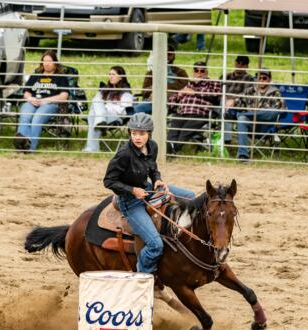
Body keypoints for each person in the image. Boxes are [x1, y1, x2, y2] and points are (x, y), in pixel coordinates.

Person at [103, 112, 195, 274]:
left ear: (149, 134)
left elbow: (152, 168)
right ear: (130, 133)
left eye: (142, 134)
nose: (138, 137)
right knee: (155, 245)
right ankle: (143, 275)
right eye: (134, 133)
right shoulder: (124, 154)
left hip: (148, 189)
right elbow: (109, 181)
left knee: (190, 197)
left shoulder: (152, 146)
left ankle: (185, 240)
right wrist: (133, 190)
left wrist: (157, 179)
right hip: (130, 202)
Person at [13, 50, 69, 152]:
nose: (46, 64)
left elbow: (64, 96)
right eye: (44, 61)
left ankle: (29, 148)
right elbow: (26, 92)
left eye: (49, 61)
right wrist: (30, 98)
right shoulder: (36, 75)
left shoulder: (61, 77)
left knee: (37, 118)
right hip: (33, 101)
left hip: (50, 104)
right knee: (25, 116)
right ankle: (21, 146)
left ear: (55, 63)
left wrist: (46, 100)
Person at [225, 68, 284, 161]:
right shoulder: (250, 90)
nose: (261, 80)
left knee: (272, 112)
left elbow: (281, 111)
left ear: (269, 79)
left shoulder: (275, 92)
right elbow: (239, 99)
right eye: (259, 78)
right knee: (242, 119)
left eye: (264, 78)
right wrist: (232, 100)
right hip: (252, 126)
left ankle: (249, 114)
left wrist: (254, 113)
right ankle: (243, 156)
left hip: (265, 127)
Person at [167, 61, 221, 154]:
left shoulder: (212, 83)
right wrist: (179, 96)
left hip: (199, 114)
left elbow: (215, 95)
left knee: (184, 133)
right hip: (182, 113)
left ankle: (171, 150)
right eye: (196, 71)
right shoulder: (188, 84)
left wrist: (195, 91)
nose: (199, 73)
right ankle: (170, 149)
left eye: (202, 71)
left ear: (206, 73)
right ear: (193, 72)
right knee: (173, 133)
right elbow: (170, 101)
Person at [83, 66, 133, 153]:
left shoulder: (125, 91)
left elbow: (125, 109)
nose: (110, 76)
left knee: (93, 115)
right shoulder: (105, 89)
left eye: (113, 74)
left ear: (121, 77)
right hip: (102, 115)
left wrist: (107, 108)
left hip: (115, 116)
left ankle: (92, 148)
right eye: (109, 74)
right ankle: (100, 121)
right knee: (96, 102)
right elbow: (95, 102)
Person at [133, 45, 188, 115]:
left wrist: (159, 87)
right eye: (164, 54)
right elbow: (144, 92)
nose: (167, 57)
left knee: (135, 110)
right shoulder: (152, 72)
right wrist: (151, 72)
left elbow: (182, 87)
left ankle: (125, 115)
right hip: (151, 101)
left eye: (169, 54)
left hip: (168, 102)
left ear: (174, 56)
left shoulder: (180, 72)